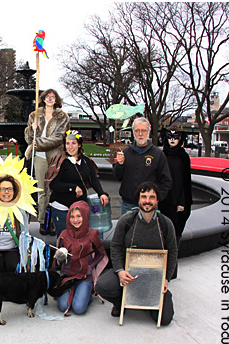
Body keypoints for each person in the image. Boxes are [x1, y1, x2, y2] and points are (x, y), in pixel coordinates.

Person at [95, 181, 177, 326]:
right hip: (128, 272)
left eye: (152, 197)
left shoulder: (166, 224)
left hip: (154, 277)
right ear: (138, 200)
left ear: (157, 200)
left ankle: (146, 301)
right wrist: (120, 271)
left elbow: (173, 252)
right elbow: (115, 247)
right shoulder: (126, 221)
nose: (147, 201)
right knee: (102, 285)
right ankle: (123, 302)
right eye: (144, 196)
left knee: (165, 319)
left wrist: (166, 279)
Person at [45, 130, 109, 237]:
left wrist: (101, 193)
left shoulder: (86, 161)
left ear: (79, 145)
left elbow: (93, 179)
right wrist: (72, 187)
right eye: (67, 143)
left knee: (80, 239)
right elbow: (53, 184)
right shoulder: (59, 162)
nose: (70, 147)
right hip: (62, 207)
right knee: (64, 240)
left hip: (80, 207)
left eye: (73, 143)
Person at [24, 89, 70, 235]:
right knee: (41, 190)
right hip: (39, 157)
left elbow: (59, 138)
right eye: (48, 96)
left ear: (56, 99)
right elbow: (28, 138)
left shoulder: (63, 117)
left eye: (53, 96)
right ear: (43, 99)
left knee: (54, 189)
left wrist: (38, 144)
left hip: (55, 157)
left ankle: (54, 221)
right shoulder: (34, 115)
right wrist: (32, 129)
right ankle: (43, 221)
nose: (50, 99)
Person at [52, 201, 109, 315]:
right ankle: (75, 293)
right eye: (72, 217)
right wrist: (60, 257)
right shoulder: (64, 234)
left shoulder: (93, 234)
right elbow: (57, 261)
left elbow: (100, 254)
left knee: (79, 309)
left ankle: (88, 296)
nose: (75, 220)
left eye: (79, 216)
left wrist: (90, 266)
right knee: (63, 306)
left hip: (84, 277)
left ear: (85, 216)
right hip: (67, 276)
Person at [114, 117, 172, 215]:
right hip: (128, 204)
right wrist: (120, 165)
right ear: (133, 132)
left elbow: (166, 181)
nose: (140, 134)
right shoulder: (126, 153)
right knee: (127, 230)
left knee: (148, 230)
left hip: (149, 205)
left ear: (148, 132)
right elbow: (117, 177)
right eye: (137, 131)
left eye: (143, 130)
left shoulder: (158, 154)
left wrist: (156, 198)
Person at [159, 127, 192, 279]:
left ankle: (171, 271)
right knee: (163, 236)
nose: (172, 140)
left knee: (175, 237)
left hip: (178, 202)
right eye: (170, 137)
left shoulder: (183, 157)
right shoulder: (161, 155)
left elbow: (186, 181)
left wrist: (183, 202)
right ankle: (161, 269)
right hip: (163, 201)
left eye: (176, 137)